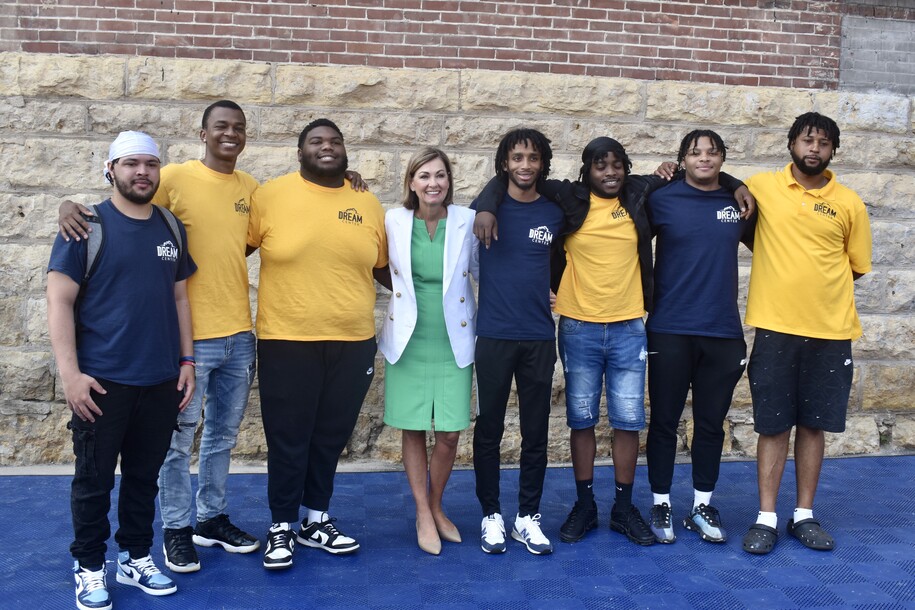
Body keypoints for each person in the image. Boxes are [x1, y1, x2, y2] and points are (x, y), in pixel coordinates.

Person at [474, 136, 750, 548]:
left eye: (616, 165)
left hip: (629, 329)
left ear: (626, 168)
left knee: (627, 420)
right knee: (581, 419)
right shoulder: (568, 197)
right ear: (587, 170)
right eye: (600, 166)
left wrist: (737, 183)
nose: (609, 173)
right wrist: (484, 205)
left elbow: (700, 171)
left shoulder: (640, 193)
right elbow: (512, 178)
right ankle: (585, 505)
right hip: (578, 327)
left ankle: (623, 507)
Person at [47, 131, 196, 610]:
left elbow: (179, 298)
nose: (142, 173)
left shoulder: (170, 227)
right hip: (101, 383)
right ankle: (89, 567)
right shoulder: (84, 227)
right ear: (110, 169)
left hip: (159, 380)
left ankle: (135, 557)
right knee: (93, 482)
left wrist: (187, 360)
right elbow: (59, 302)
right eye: (131, 164)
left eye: (150, 165)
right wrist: (70, 375)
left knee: (143, 477)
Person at [247, 118, 387, 570]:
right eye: (316, 141)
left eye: (335, 141)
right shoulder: (269, 197)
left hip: (353, 340)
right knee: (289, 438)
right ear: (300, 150)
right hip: (287, 339)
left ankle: (315, 519)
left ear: (345, 150)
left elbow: (388, 267)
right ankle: (281, 526)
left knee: (329, 437)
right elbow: (223, 247)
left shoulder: (366, 200)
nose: (327, 147)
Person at [741, 113, 871, 555]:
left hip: (830, 331)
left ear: (833, 150)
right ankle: (765, 518)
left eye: (823, 143)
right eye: (806, 140)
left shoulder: (849, 202)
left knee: (813, 425)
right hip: (775, 328)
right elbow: (721, 192)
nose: (813, 149)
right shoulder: (761, 186)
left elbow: (855, 266)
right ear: (791, 143)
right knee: (773, 425)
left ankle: (803, 515)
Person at [644, 130, 756, 545]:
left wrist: (737, 184)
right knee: (664, 421)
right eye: (695, 153)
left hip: (722, 331)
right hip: (670, 327)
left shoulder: (739, 203)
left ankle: (702, 504)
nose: (704, 158)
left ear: (723, 158)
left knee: (711, 424)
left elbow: (772, 246)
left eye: (712, 152)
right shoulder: (661, 199)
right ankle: (661, 503)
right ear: (682, 160)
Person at [377, 147, 478, 555]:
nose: (433, 183)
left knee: (451, 433)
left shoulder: (468, 220)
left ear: (449, 181)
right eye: (424, 176)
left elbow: (487, 266)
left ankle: (436, 505)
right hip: (409, 337)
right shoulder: (393, 220)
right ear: (411, 183)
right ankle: (423, 512)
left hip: (454, 335)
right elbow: (376, 261)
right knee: (414, 426)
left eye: (440, 175)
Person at [471, 128, 566, 556]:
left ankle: (527, 517)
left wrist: (557, 288)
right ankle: (492, 514)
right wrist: (488, 203)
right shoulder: (485, 209)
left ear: (543, 163)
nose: (524, 165)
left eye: (532, 158)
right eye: (516, 158)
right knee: (488, 428)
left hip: (538, 338)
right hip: (493, 335)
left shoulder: (555, 211)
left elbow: (565, 258)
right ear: (504, 163)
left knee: (535, 432)